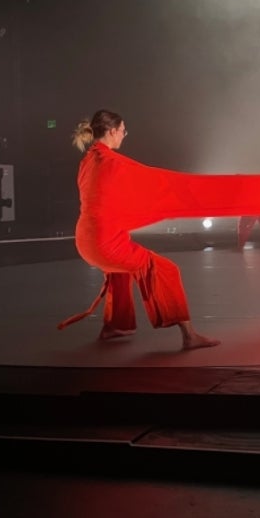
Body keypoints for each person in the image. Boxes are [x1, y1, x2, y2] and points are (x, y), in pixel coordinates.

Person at [64, 109, 219, 350]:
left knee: (119, 269)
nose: (124, 136)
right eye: (124, 131)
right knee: (166, 269)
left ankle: (117, 325)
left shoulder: (87, 161)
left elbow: (103, 200)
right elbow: (153, 183)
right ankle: (190, 336)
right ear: (113, 131)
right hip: (104, 243)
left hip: (85, 240)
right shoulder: (112, 162)